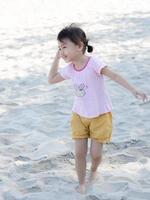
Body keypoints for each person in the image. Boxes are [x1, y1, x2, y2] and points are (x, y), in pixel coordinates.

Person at [48, 24, 148, 194]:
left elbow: (114, 75)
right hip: (79, 115)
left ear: (80, 46)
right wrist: (56, 59)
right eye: (59, 47)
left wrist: (133, 90)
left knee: (95, 154)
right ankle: (81, 182)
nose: (61, 51)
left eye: (64, 47)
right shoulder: (70, 69)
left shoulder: (93, 62)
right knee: (79, 153)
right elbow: (51, 79)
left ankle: (93, 171)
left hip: (100, 116)